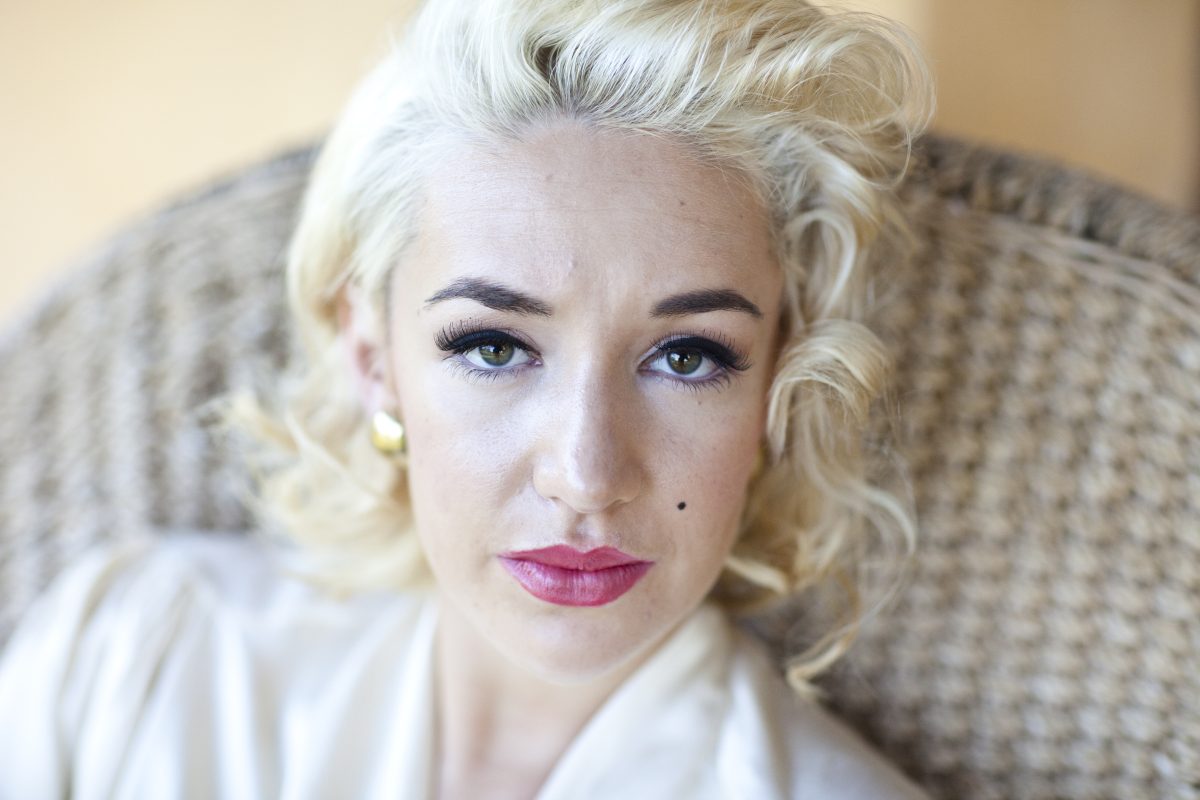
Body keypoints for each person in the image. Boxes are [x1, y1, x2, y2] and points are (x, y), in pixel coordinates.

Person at [0, 0, 934, 796]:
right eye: (493, 347)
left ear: (781, 375)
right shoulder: (133, 666)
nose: (585, 474)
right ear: (374, 359)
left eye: (688, 357)